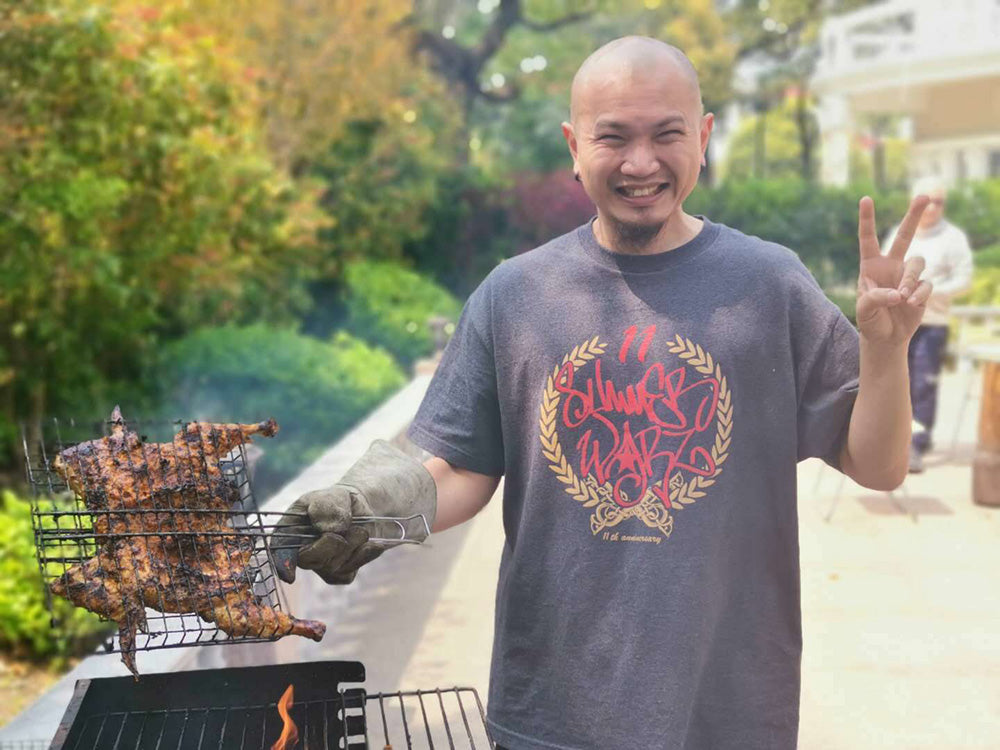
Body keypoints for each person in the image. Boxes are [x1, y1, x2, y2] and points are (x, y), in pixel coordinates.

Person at [274, 37, 933, 750]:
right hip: (553, 708)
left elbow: (878, 465)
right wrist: (371, 508)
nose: (641, 162)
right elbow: (462, 465)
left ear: (704, 136)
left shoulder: (769, 284)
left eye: (667, 134)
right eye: (613, 137)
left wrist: (887, 349)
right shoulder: (515, 295)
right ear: (574, 144)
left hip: (727, 708)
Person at [883, 176, 974, 473]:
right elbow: (884, 268)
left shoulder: (953, 237)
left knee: (923, 384)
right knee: (898, 383)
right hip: (898, 322)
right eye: (927, 200)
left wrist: (934, 289)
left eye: (939, 201)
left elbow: (965, 279)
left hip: (932, 322)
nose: (933, 207)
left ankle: (916, 445)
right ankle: (894, 440)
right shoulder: (899, 233)